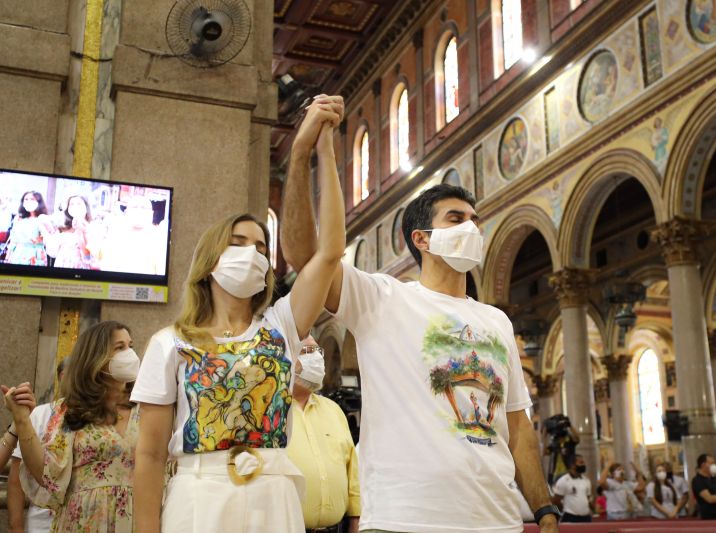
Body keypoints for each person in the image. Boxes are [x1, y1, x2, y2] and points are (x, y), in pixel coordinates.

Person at [283, 176, 560, 528]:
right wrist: (306, 149)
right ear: (421, 238)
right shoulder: (383, 299)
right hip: (405, 519)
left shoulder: (497, 321)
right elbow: (308, 260)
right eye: (457, 219)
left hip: (497, 520)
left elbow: (518, 427)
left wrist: (544, 509)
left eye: (475, 220)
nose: (472, 227)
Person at [132, 96, 346, 533]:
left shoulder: (281, 327)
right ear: (211, 260)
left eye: (261, 247)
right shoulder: (171, 342)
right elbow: (150, 455)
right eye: (237, 242)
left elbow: (329, 254)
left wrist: (315, 152)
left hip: (273, 491)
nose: (251, 253)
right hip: (199, 495)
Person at [2, 321, 140, 532]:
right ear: (96, 357)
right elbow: (47, 473)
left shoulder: (148, 408)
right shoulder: (70, 410)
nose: (130, 354)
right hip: (82, 520)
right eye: (119, 347)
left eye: (131, 345)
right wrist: (21, 420)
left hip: (138, 518)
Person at [287, 337, 360, 533]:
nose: (317, 360)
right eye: (307, 351)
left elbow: (352, 470)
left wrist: (356, 521)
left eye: (318, 352)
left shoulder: (333, 410)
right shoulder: (271, 412)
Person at [7, 359, 68, 533]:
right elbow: (17, 478)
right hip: (42, 523)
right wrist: (16, 526)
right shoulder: (39, 415)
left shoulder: (98, 416)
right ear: (64, 377)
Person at [46, 195, 97, 269]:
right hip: (61, 265)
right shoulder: (62, 228)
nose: (75, 206)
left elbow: (88, 257)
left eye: (79, 204)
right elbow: (52, 252)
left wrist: (81, 232)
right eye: (71, 204)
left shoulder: (92, 228)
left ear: (86, 207)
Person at [4, 191, 52, 266]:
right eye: (26, 199)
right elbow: (13, 240)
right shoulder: (19, 218)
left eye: (32, 199)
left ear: (39, 202)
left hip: (35, 256)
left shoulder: (43, 219)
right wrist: (7, 258)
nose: (28, 201)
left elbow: (50, 238)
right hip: (17, 255)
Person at [552, 454, 592, 522]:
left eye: (583, 462)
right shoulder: (563, 480)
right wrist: (564, 510)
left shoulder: (586, 480)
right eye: (581, 462)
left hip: (586, 517)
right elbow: (556, 500)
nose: (584, 465)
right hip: (570, 516)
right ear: (572, 465)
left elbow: (588, 498)